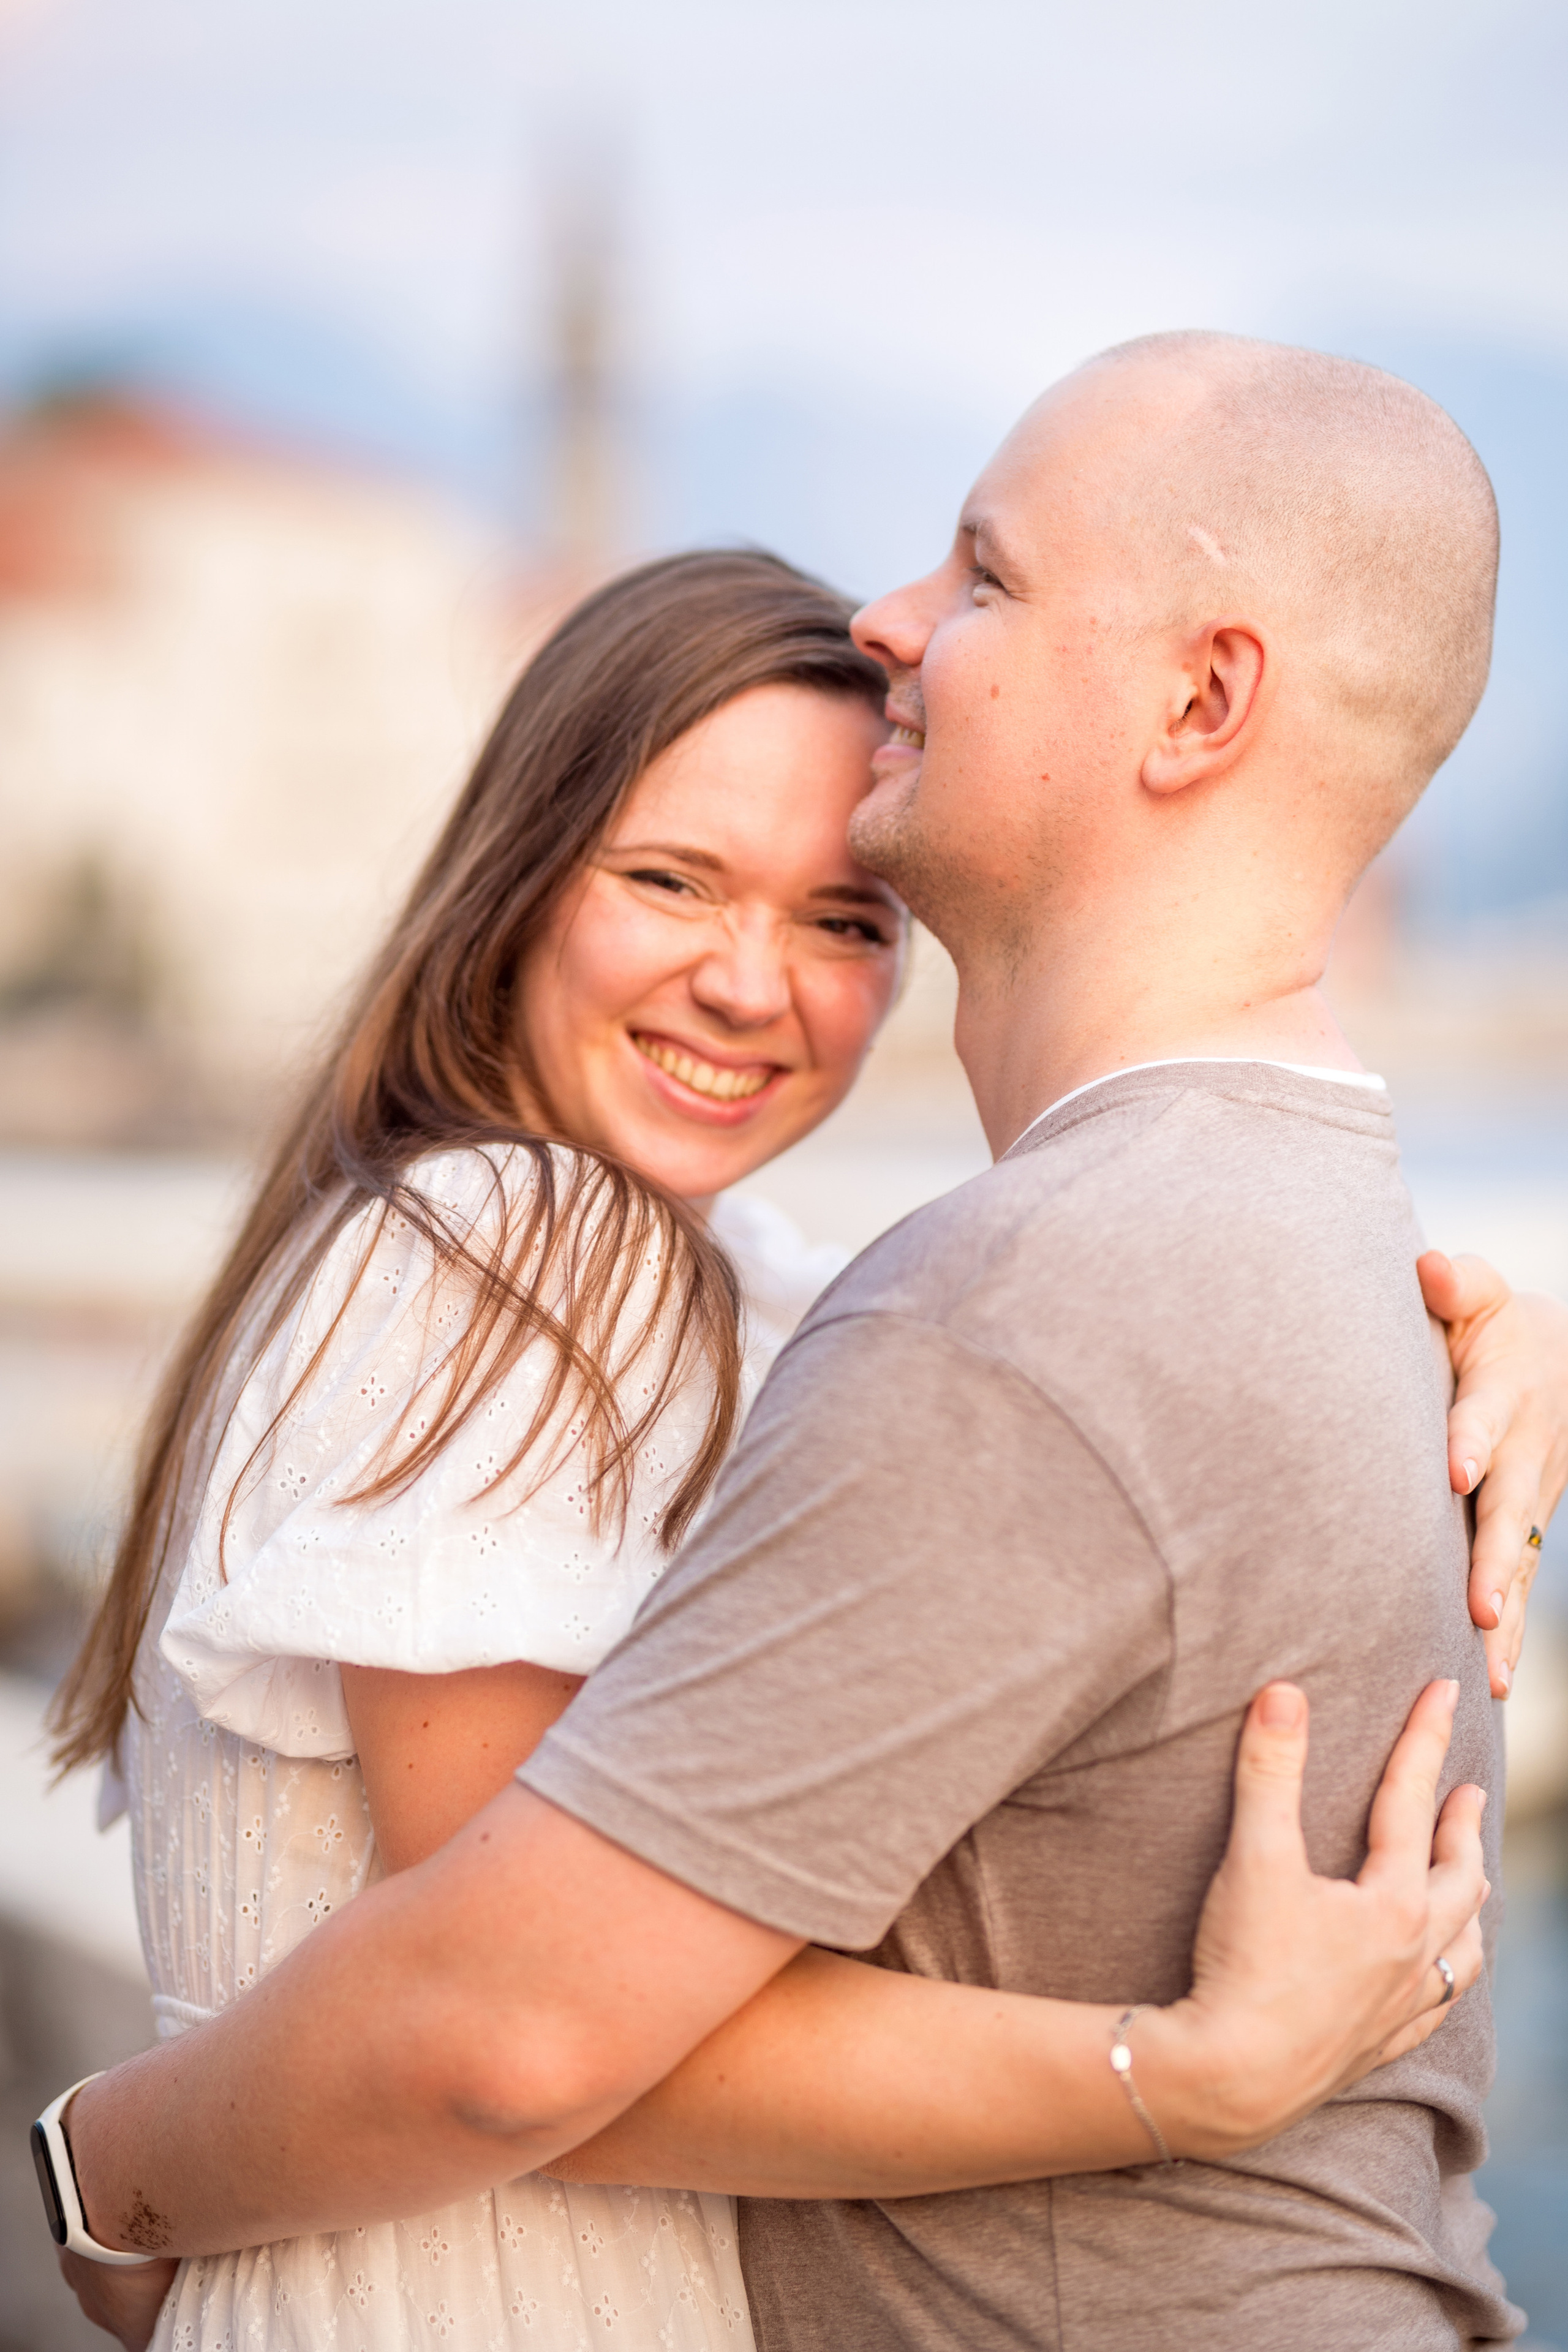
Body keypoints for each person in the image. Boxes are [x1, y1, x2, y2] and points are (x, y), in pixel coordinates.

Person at [48, 347, 1567, 2346]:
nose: (753, 981)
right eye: (669, 878)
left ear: (1202, 701)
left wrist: (1460, 1315)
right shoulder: (525, 1242)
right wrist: (104, 2167)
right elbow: (494, 2027)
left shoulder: (853, 1289)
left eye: (846, 922)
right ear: (516, 882)